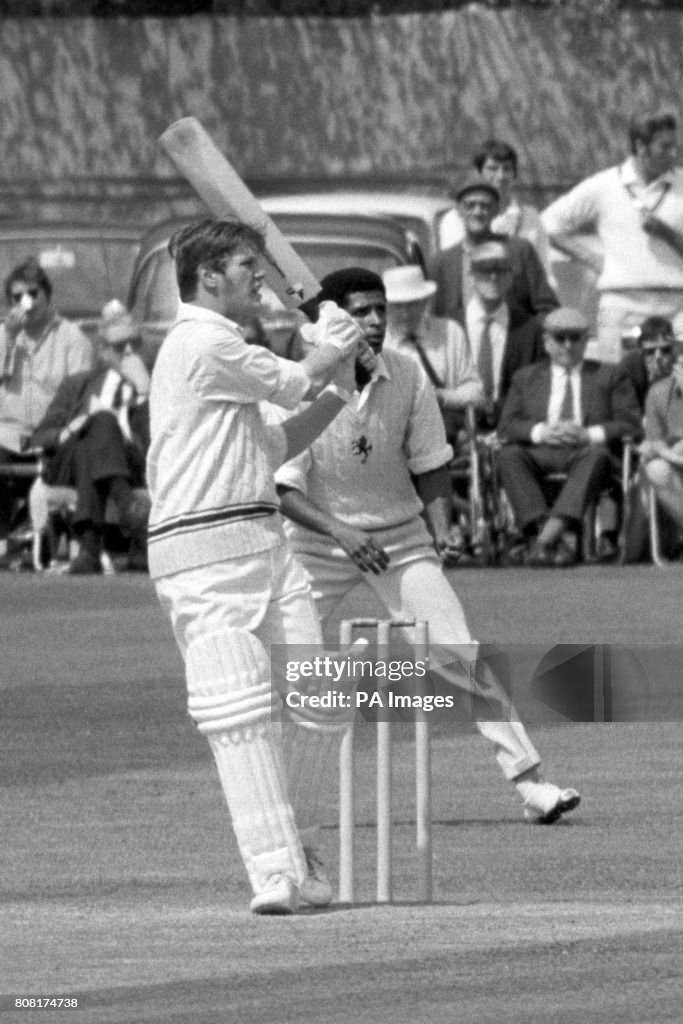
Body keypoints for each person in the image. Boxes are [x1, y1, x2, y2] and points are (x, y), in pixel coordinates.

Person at [276, 266, 581, 829]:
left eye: (379, 310)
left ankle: (532, 784)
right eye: (360, 312)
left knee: (458, 651)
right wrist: (342, 532)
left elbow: (432, 468)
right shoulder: (303, 384)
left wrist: (441, 533)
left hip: (399, 540)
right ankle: (278, 805)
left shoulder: (409, 375)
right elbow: (284, 490)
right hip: (318, 544)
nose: (374, 322)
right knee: (290, 664)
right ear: (333, 320)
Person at [146, 218, 364, 915]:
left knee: (321, 704)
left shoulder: (226, 354)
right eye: (247, 266)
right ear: (209, 276)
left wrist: (338, 385)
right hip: (200, 553)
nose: (261, 278)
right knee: (236, 711)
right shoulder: (201, 342)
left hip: (265, 544)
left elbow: (273, 442)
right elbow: (295, 381)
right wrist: (331, 347)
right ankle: (274, 874)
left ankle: (299, 850)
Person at [497, 307, 642, 567]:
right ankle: (551, 539)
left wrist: (589, 434)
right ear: (546, 341)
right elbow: (506, 426)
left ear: (586, 341)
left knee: (598, 456)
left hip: (585, 453)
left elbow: (630, 424)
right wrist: (542, 432)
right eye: (559, 337)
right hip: (539, 451)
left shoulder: (610, 374)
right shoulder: (525, 378)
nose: (567, 345)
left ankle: (541, 543)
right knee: (507, 455)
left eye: (575, 338)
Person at [543, 111, 683, 364]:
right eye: (665, 147)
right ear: (641, 147)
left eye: (676, 146)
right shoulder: (605, 185)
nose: (674, 154)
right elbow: (548, 224)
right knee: (616, 382)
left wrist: (668, 233)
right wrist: (589, 257)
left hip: (677, 304)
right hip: (620, 304)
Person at [31, 306, 151, 574]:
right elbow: (42, 435)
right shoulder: (77, 384)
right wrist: (74, 426)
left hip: (128, 464)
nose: (130, 352)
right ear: (104, 351)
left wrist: (144, 392)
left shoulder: (150, 387)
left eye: (135, 343)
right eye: (120, 346)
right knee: (100, 422)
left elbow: (160, 443)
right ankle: (127, 507)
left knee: (93, 443)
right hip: (68, 464)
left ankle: (89, 548)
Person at [0, 257, 93, 563]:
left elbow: (83, 395)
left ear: (46, 295)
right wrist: (9, 338)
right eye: (17, 297)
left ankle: (42, 536)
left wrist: (63, 431)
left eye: (32, 294)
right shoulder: (5, 336)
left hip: (51, 433)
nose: (26, 303)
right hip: (8, 432)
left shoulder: (71, 338)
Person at [435, 173, 558, 325]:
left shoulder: (520, 252)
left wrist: (528, 338)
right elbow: (435, 317)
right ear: (458, 210)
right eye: (470, 205)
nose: (477, 212)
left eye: (485, 205)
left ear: (496, 210)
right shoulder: (441, 262)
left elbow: (547, 308)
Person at [382, 264, 484, 441]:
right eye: (398, 306)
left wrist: (442, 397)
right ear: (385, 305)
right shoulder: (377, 341)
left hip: (444, 434)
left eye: (412, 304)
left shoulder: (449, 332)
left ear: (425, 302)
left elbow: (476, 393)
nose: (405, 313)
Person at [464, 239, 546, 426]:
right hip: (457, 433)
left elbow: (535, 390)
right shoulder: (451, 326)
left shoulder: (530, 329)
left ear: (511, 277)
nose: (493, 277)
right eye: (484, 270)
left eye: (501, 270)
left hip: (511, 431)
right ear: (471, 277)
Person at [472, 138, 555, 280]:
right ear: (479, 173)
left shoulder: (530, 216)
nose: (501, 176)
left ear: (514, 174)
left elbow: (544, 270)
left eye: (507, 169)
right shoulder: (458, 218)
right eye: (492, 169)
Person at [639, 331, 683, 557]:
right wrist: (669, 452)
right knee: (656, 470)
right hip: (676, 463)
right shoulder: (657, 392)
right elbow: (654, 442)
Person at [619, 315, 676, 413]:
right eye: (650, 351)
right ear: (641, 351)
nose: (658, 357)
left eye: (665, 350)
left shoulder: (679, 361)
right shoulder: (629, 366)